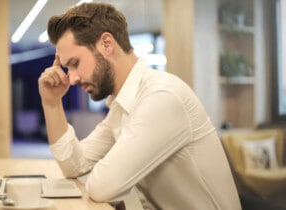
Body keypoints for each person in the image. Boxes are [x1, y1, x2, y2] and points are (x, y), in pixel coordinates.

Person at [38, 2, 241, 210]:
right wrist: (52, 102)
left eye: (75, 63)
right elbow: (74, 165)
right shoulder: (122, 106)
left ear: (106, 44)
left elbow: (102, 187)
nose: (71, 79)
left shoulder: (161, 96)